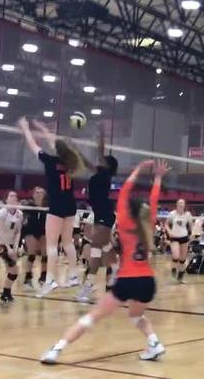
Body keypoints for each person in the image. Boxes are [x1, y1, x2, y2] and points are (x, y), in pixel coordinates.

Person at [40, 159, 169, 365]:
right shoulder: (149, 224)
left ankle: (56, 350)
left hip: (128, 280)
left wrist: (138, 169)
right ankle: (154, 342)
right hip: (147, 281)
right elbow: (154, 198)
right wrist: (158, 178)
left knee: (91, 317)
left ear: (129, 210)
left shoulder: (125, 221)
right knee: (136, 316)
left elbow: (125, 190)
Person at [18, 117, 84, 297]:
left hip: (56, 205)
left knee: (52, 245)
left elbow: (33, 146)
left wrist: (26, 128)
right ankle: (73, 276)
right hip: (70, 204)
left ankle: (50, 281)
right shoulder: (70, 163)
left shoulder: (49, 161)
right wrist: (43, 129)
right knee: (68, 242)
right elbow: (55, 143)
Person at [77, 127, 119, 303]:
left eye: (103, 161)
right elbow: (88, 163)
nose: (100, 162)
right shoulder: (100, 173)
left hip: (104, 215)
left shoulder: (104, 173)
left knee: (95, 250)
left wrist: (101, 137)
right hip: (102, 214)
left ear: (107, 165)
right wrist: (76, 152)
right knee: (104, 247)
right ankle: (116, 268)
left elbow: (99, 153)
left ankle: (88, 287)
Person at [21, 187, 48, 289]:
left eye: (41, 192)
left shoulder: (47, 206)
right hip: (30, 230)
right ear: (33, 194)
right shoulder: (28, 205)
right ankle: (27, 278)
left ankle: (43, 277)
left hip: (43, 230)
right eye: (37, 192)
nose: (39, 194)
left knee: (45, 254)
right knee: (32, 253)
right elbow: (23, 216)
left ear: (44, 195)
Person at [166, 198, 192, 284]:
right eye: (179, 203)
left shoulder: (187, 215)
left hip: (184, 237)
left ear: (184, 205)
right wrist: (169, 232)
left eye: (182, 203)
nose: (181, 205)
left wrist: (191, 234)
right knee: (176, 256)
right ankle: (173, 270)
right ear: (177, 204)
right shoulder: (172, 214)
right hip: (174, 237)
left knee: (183, 259)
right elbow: (166, 224)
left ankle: (180, 277)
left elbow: (190, 226)